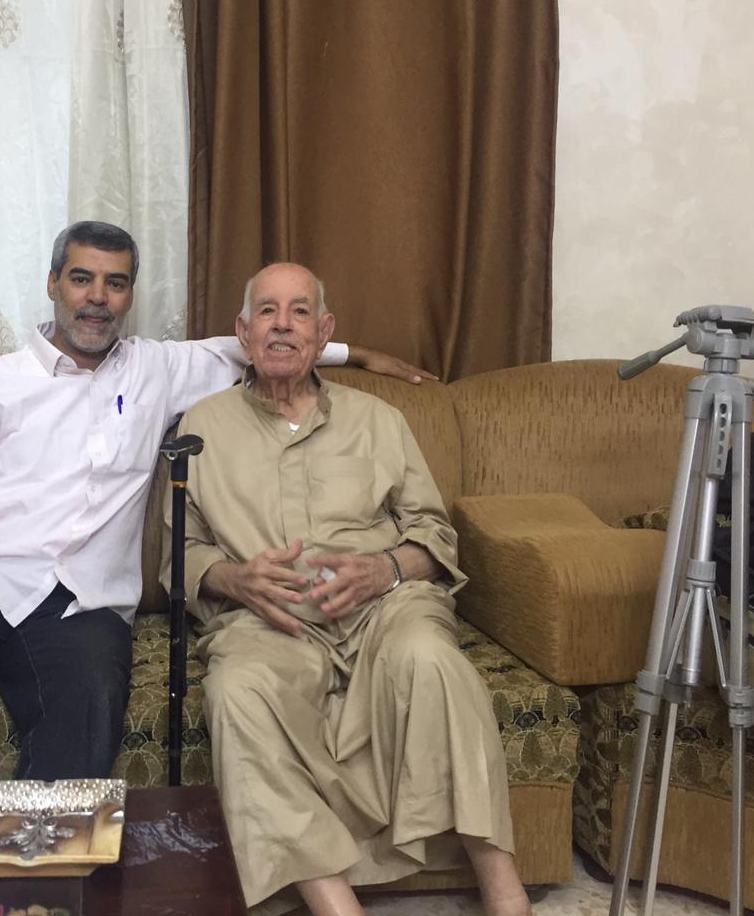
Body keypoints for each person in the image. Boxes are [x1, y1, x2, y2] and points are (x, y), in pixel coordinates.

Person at [0, 221, 430, 781]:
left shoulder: (154, 369)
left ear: (130, 295)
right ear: (53, 283)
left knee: (89, 707)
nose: (98, 297)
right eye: (81, 279)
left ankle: (39, 845)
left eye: (116, 283)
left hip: (84, 606)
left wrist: (356, 354)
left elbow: (260, 344)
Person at [163, 262, 529, 916]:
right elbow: (179, 551)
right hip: (268, 618)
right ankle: (335, 903)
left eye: (299, 311)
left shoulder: (379, 420)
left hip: (385, 606)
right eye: (267, 312)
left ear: (324, 330)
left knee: (432, 662)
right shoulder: (201, 426)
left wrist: (385, 569)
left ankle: (505, 890)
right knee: (236, 691)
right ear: (243, 333)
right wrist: (234, 578)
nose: (282, 325)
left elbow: (433, 534)